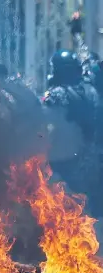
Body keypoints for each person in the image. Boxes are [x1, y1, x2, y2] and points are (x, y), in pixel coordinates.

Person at [42, 49, 102, 217]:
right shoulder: (91, 90)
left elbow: (44, 128)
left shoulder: (57, 96)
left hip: (67, 166)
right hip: (93, 162)